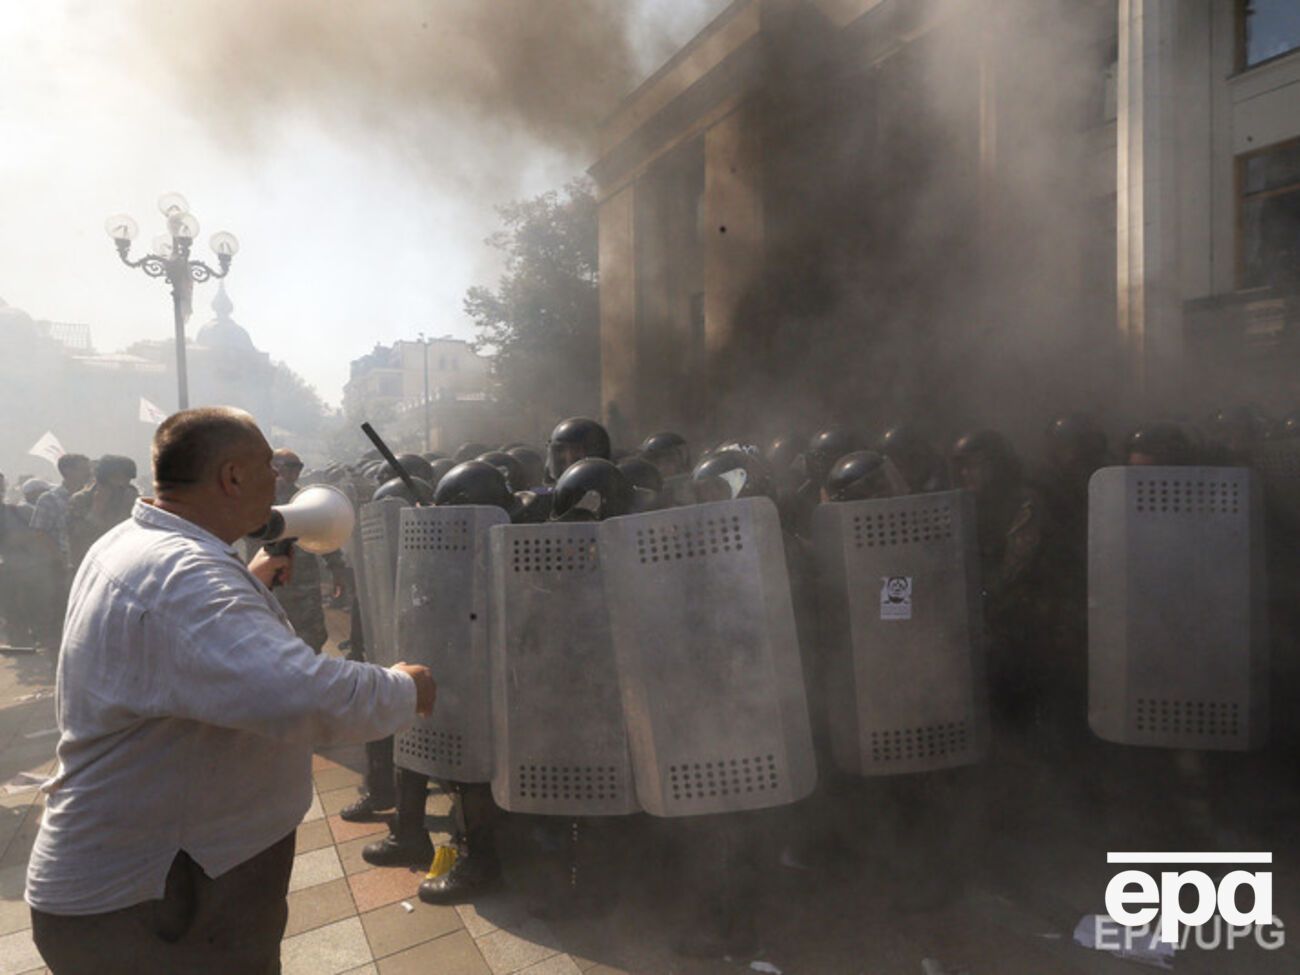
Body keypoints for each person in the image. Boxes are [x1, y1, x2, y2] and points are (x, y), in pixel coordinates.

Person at [24, 406, 436, 975]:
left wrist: (248, 578)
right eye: (268, 466)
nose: (278, 480)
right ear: (233, 477)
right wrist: (402, 688)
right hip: (158, 901)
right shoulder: (184, 575)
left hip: (165, 878)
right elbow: (300, 695)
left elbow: (181, 638)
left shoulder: (135, 539)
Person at [264, 448, 348, 653]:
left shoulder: (306, 500)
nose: (295, 472)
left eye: (298, 467)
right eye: (290, 466)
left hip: (304, 579)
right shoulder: (258, 499)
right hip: (268, 578)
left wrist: (337, 569)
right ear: (274, 467)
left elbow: (324, 531)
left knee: (312, 632)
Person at [29, 452, 91, 646]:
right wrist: (62, 560)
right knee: (63, 610)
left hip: (89, 561)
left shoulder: (93, 498)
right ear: (67, 471)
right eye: (83, 469)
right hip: (62, 566)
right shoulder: (50, 499)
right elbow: (40, 533)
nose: (89, 473)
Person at [67, 454, 139, 569]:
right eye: (118, 478)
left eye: (127, 479)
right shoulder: (81, 500)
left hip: (124, 559)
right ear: (104, 478)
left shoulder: (131, 497)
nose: (123, 483)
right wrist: (97, 509)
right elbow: (77, 536)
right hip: (92, 561)